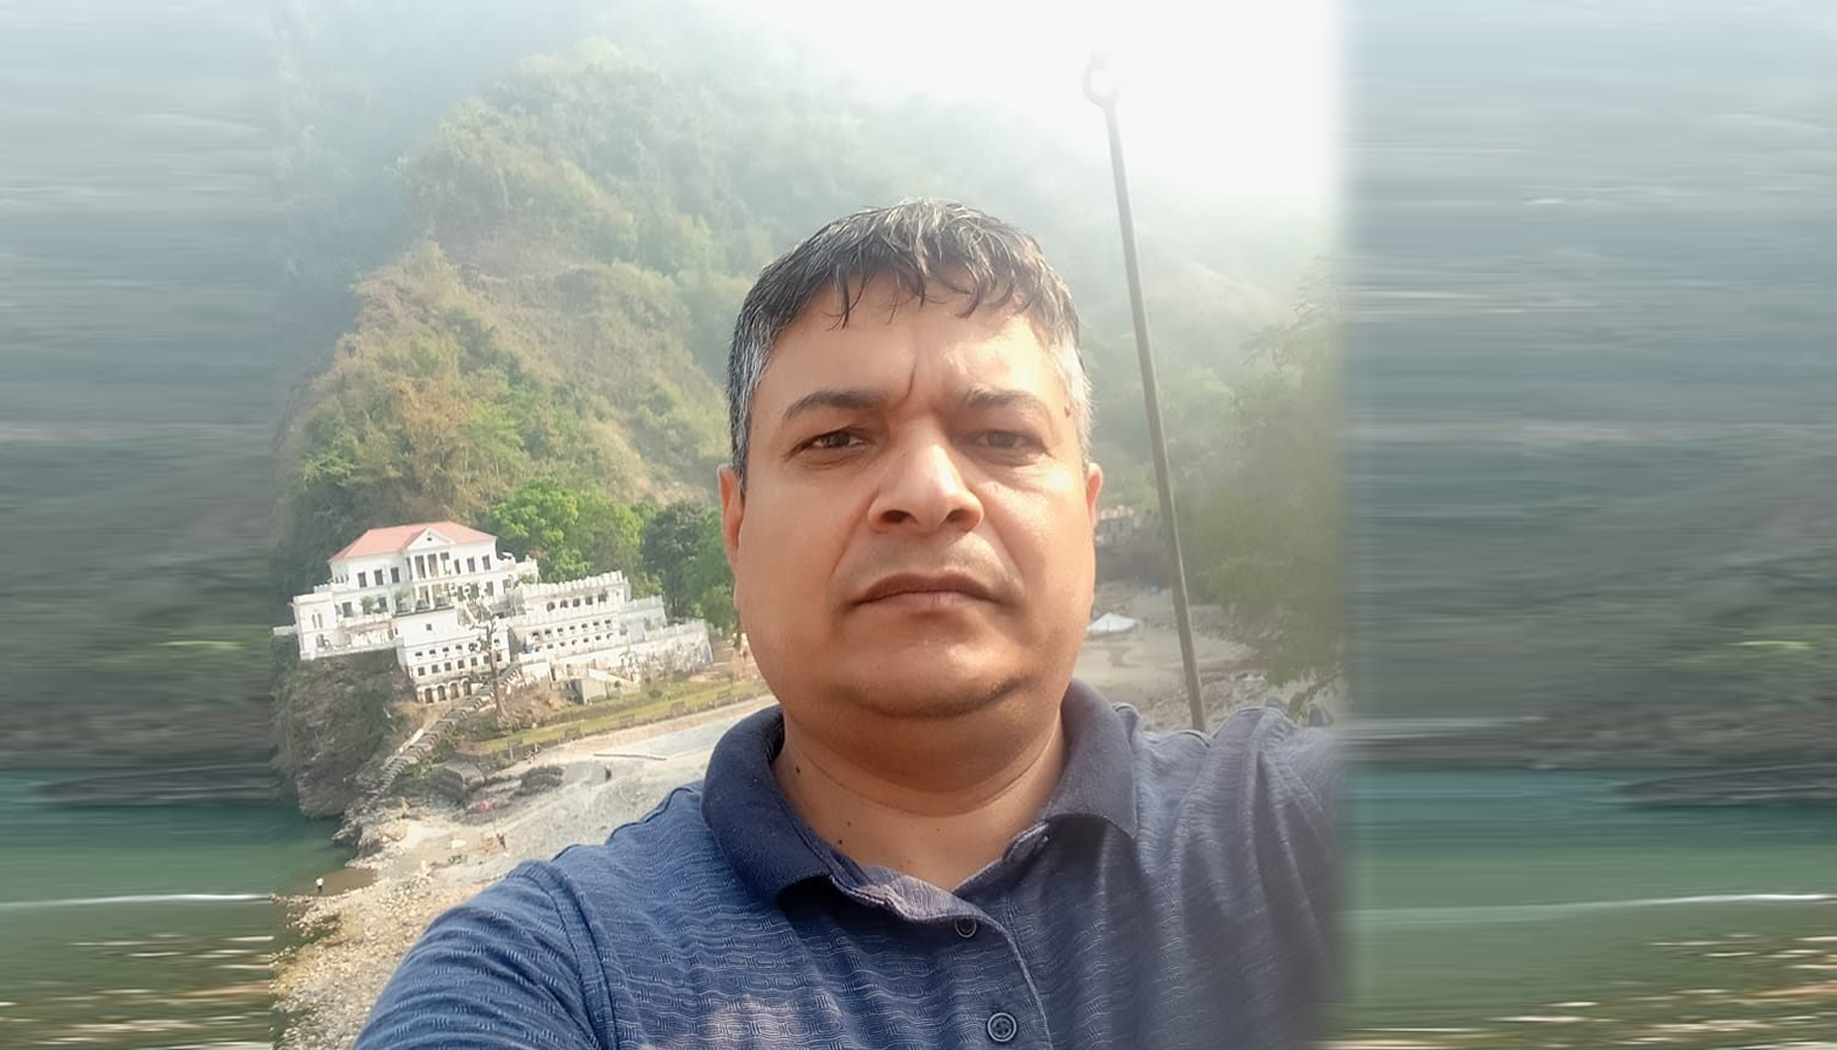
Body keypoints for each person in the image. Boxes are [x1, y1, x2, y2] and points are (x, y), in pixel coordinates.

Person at [356, 200, 1336, 1049]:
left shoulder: (1297, 834)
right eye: (837, 439)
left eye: (1000, 436)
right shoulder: (553, 974)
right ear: (738, 525)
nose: (930, 492)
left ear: (1085, 513)